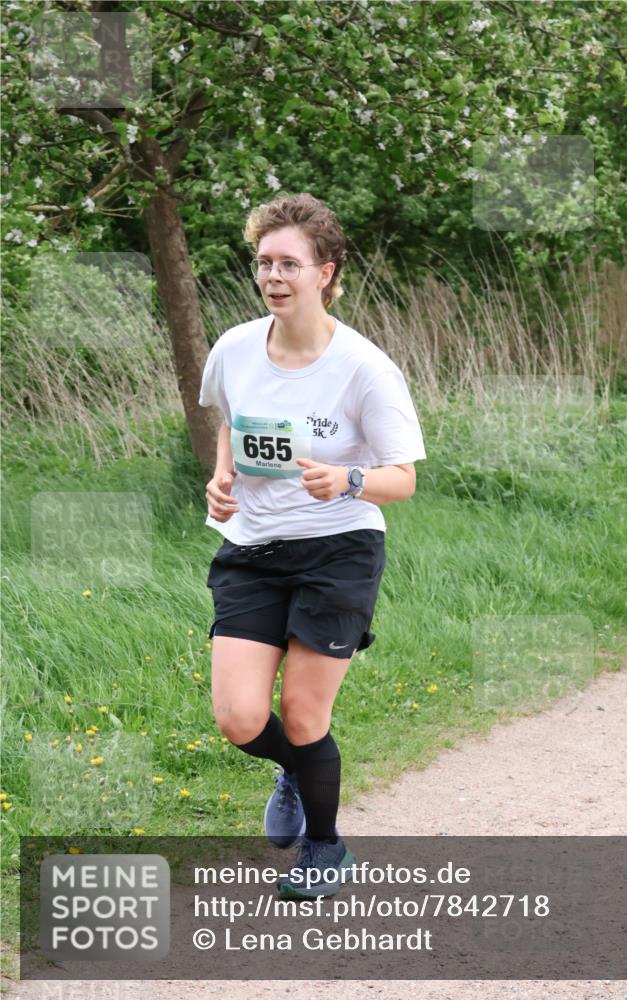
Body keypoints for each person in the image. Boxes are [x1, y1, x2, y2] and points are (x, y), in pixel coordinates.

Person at [198, 192, 426, 900]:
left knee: (301, 712)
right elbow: (230, 422)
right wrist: (220, 474)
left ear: (325, 271)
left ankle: (325, 850)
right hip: (255, 546)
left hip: (338, 548)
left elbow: (402, 480)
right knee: (238, 717)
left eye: (289, 263)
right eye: (264, 261)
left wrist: (349, 478)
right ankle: (298, 768)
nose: (273, 275)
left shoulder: (364, 368)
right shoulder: (235, 346)